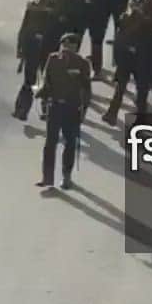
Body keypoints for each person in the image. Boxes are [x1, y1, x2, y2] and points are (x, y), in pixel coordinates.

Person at [34, 33, 92, 190]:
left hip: (72, 108)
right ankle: (47, 178)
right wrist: (41, 94)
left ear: (75, 47)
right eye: (64, 44)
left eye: (70, 45)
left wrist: (83, 110)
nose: (66, 47)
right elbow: (47, 83)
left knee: (70, 143)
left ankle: (67, 176)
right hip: (55, 107)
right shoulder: (52, 59)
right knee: (50, 143)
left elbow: (86, 89)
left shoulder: (82, 63)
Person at [13, 0, 59, 121]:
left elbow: (58, 26)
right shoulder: (33, 7)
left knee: (48, 82)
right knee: (29, 81)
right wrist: (20, 48)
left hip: (48, 50)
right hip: (32, 49)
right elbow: (24, 28)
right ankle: (22, 110)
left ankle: (48, 111)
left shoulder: (55, 8)